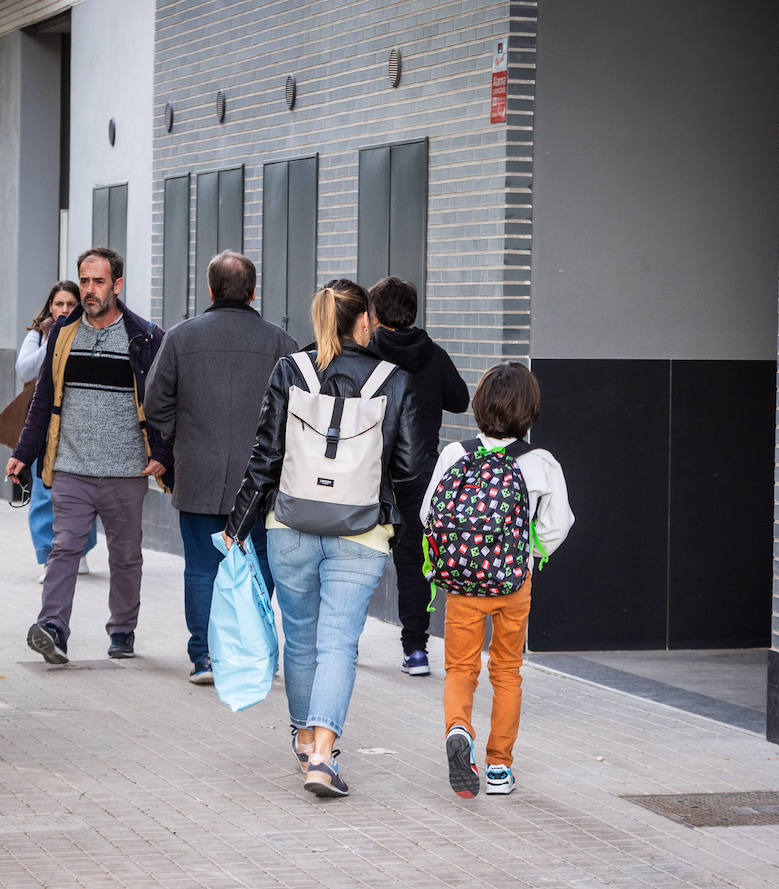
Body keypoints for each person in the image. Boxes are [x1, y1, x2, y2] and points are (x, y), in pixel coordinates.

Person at [225, 279, 419, 798]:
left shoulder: (291, 370)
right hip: (362, 530)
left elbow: (265, 454)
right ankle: (322, 756)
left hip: (289, 525)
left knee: (302, 638)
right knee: (338, 643)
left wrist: (237, 525)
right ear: (366, 322)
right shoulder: (394, 379)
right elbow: (407, 466)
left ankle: (303, 736)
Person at [7, 247, 172, 665]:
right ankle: (53, 629)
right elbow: (43, 399)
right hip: (71, 467)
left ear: (117, 284)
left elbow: (168, 400)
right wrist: (23, 452)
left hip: (126, 470)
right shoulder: (63, 332)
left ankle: (122, 630)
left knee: (126, 555)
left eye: (99, 282)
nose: (89, 290)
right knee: (64, 548)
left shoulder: (146, 337)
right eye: (84, 281)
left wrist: (164, 452)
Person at [422, 362, 573, 798]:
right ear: (531, 411)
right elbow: (558, 524)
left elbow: (428, 515)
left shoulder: (456, 454)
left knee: (460, 668)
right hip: (513, 584)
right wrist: (528, 551)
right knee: (506, 671)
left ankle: (458, 730)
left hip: (464, 585)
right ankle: (499, 767)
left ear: (479, 405)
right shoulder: (541, 462)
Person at [144, 250, 295, 684]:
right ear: (253, 291)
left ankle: (205, 657)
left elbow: (156, 404)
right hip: (263, 481)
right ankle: (247, 651)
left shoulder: (180, 337)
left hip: (198, 473)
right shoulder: (280, 343)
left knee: (203, 566)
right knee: (259, 563)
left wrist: (179, 439)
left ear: (209, 290)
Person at [367, 276, 469, 677]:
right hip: (420, 477)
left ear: (375, 315)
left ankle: (347, 643)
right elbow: (460, 400)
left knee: (358, 559)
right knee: (412, 564)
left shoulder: (367, 353)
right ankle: (416, 653)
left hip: (370, 475)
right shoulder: (433, 354)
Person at [15, 281, 97, 581]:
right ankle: (48, 556)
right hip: (44, 424)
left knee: (82, 491)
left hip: (79, 423)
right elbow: (23, 370)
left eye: (70, 305)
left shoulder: (91, 331)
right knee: (43, 492)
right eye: (58, 304)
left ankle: (82, 550)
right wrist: (52, 345)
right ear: (50, 305)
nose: (64, 310)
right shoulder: (39, 333)